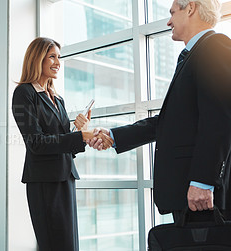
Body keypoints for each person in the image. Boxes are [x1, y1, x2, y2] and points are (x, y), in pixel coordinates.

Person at [88, 0, 231, 221]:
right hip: (189, 194)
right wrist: (114, 136)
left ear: (190, 8)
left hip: (201, 195)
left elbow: (220, 120)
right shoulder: (193, 56)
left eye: (172, 13)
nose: (168, 21)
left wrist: (203, 181)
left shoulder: (215, 47)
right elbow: (168, 122)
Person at [12, 37, 112, 251]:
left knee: (68, 243)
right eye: (52, 56)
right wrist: (80, 137)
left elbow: (62, 141)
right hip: (44, 181)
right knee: (54, 244)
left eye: (59, 57)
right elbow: (36, 143)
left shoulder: (58, 99)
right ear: (37, 58)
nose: (58, 62)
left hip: (65, 176)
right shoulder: (24, 93)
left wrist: (77, 129)